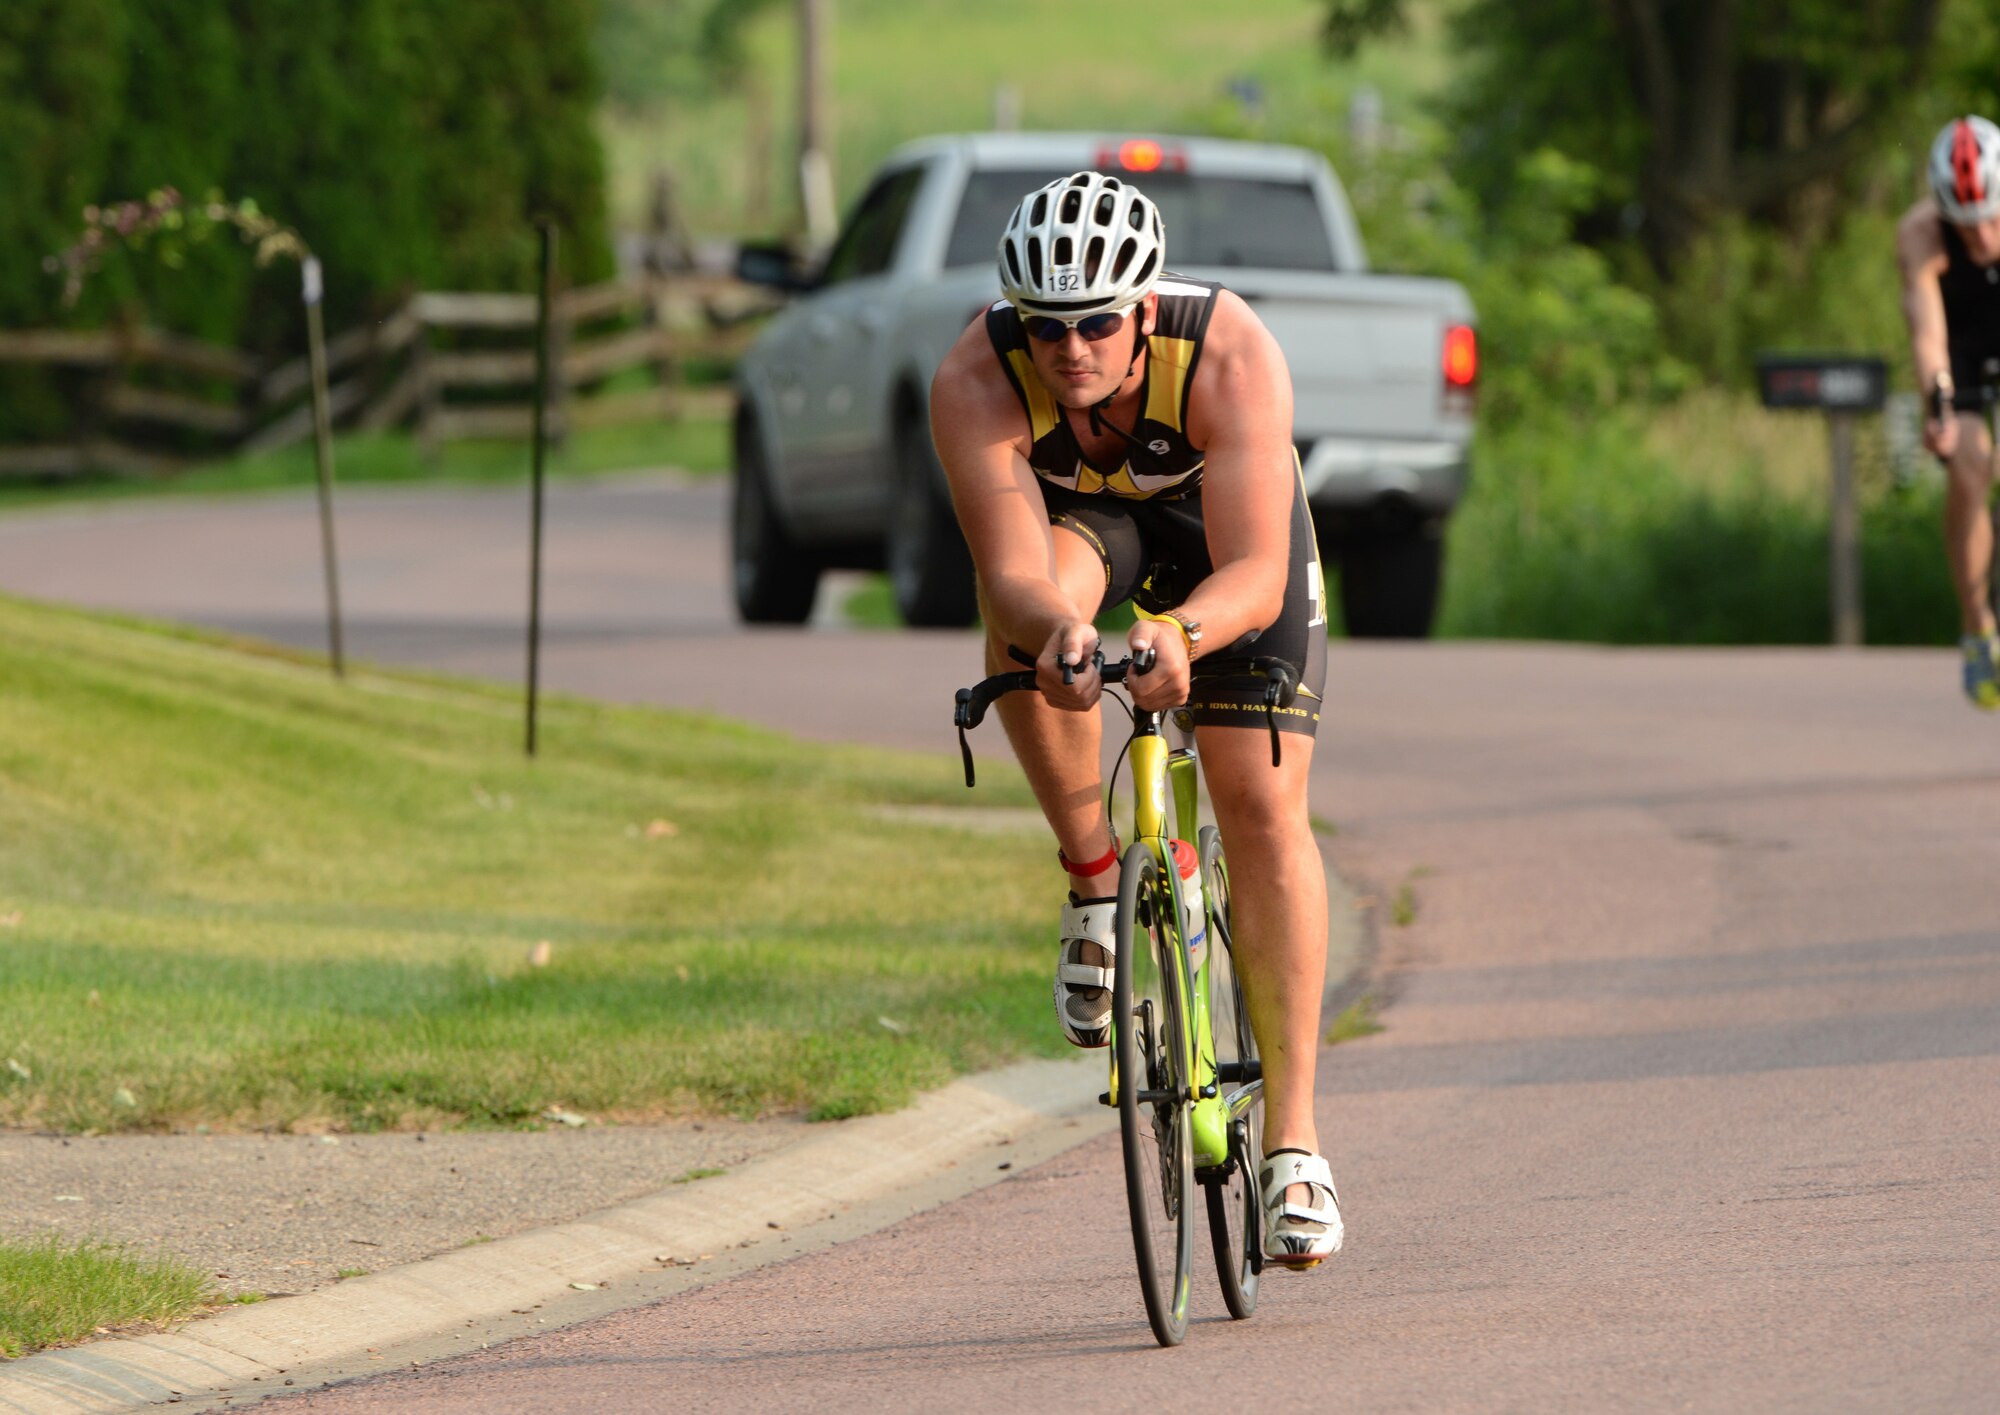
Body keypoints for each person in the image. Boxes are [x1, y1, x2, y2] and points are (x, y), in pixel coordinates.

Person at [928, 171, 1340, 1267]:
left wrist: (1185, 636)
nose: (1070, 349)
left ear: (1143, 311)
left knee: (1257, 805)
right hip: (1087, 533)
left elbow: (1256, 568)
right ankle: (1093, 873)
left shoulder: (1227, 351)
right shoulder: (976, 374)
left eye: (1097, 323)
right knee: (1033, 618)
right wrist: (1063, 636)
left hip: (1225, 549)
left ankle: (1295, 1142)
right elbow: (1011, 572)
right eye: (1046, 326)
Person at [1898, 115, 2000, 708]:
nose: (1981, 234)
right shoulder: (1918, 235)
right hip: (1959, 349)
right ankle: (1977, 625)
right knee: (1969, 464)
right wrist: (1937, 404)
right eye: (1965, 222)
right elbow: (1927, 335)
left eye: (1990, 216)